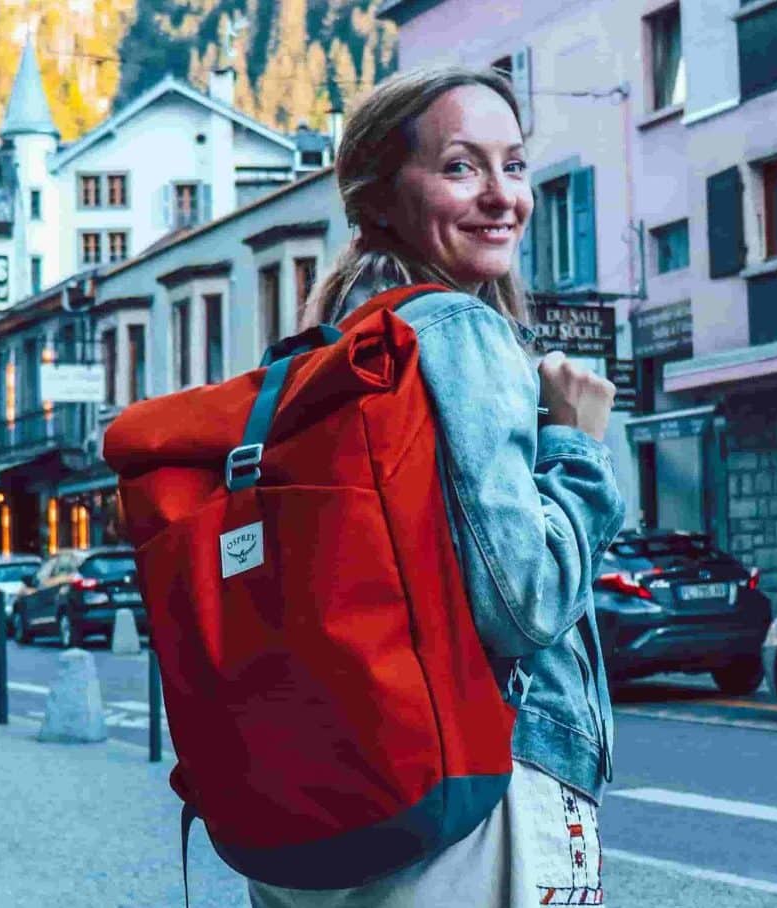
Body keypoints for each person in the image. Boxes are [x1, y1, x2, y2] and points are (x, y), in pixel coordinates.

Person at [247, 65, 625, 907]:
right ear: (381, 196)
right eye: (461, 167)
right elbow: (524, 603)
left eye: (515, 165)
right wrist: (578, 447)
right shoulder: (459, 332)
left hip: (333, 794)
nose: (503, 197)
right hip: (481, 789)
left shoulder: (326, 351)